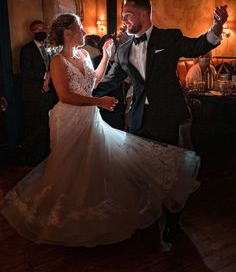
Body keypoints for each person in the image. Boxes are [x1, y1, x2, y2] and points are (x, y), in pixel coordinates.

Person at [1, 13, 200, 249]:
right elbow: (65, 96)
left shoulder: (85, 54)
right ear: (67, 33)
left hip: (89, 117)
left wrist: (106, 56)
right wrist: (99, 102)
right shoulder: (57, 61)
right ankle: (66, 217)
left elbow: (93, 82)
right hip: (68, 120)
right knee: (71, 169)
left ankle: (93, 211)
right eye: (80, 28)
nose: (85, 32)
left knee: (94, 165)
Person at [94, 0, 228, 147]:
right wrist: (83, 96)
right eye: (122, 16)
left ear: (144, 14)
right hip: (137, 120)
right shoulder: (123, 50)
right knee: (137, 165)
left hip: (167, 117)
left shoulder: (169, 37)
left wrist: (217, 26)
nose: (123, 20)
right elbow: (109, 81)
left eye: (127, 15)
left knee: (166, 165)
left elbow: (196, 46)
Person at [19, 20, 58, 165]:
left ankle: (48, 154)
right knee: (35, 125)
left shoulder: (51, 48)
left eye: (43, 28)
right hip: (34, 94)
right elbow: (27, 72)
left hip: (51, 92)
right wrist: (46, 77)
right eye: (37, 29)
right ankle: (33, 157)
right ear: (32, 32)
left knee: (49, 123)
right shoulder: (26, 50)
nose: (41, 31)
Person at [92, 34, 128, 130]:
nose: (111, 47)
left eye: (113, 44)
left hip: (118, 98)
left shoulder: (119, 60)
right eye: (108, 44)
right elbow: (95, 79)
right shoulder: (97, 60)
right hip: (103, 97)